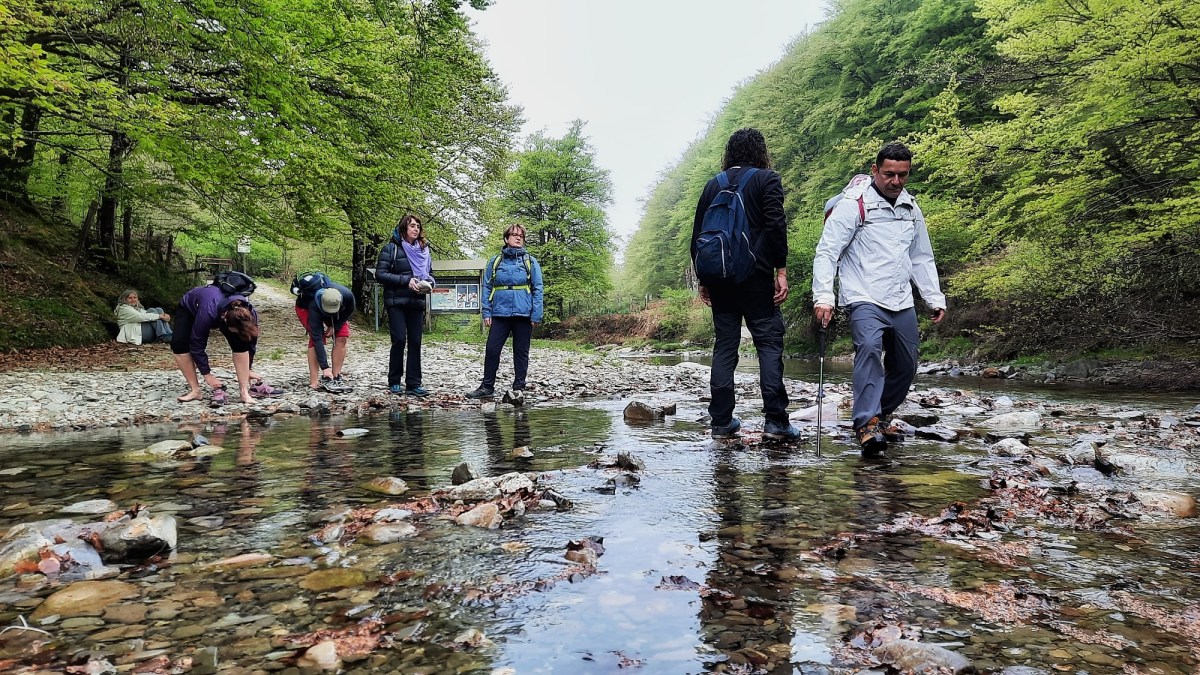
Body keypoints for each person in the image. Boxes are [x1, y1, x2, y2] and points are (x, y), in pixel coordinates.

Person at [812, 142, 947, 453]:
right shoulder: (853, 205)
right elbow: (827, 252)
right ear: (875, 171)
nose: (896, 181)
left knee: (906, 364)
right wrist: (824, 296)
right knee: (870, 349)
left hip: (901, 298)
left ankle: (881, 414)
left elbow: (921, 256)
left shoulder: (911, 207)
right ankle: (866, 424)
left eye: (903, 175)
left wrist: (933, 297)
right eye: (889, 174)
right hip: (863, 295)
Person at [691, 128, 799, 441]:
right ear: (761, 152)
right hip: (756, 276)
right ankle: (776, 421)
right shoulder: (767, 179)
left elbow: (698, 233)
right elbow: (776, 225)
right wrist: (781, 269)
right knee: (768, 343)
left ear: (730, 153)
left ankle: (722, 422)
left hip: (720, 278)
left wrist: (704, 278)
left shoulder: (714, 184)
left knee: (725, 346)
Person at [466, 223, 544, 399]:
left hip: (523, 313)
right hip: (499, 313)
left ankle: (519, 387)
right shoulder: (495, 262)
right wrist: (486, 312)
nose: (518, 238)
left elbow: (538, 288)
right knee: (492, 349)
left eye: (521, 236)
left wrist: (536, 314)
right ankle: (487, 387)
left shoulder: (530, 262)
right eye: (514, 235)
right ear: (506, 238)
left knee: (521, 351)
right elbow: (486, 287)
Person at [171, 283, 261, 405]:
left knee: (241, 344)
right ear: (225, 321)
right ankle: (195, 390)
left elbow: (250, 344)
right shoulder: (208, 312)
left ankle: (244, 392)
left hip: (224, 310)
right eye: (234, 330)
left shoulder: (250, 314)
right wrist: (207, 375)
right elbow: (197, 344)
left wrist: (248, 368)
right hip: (191, 307)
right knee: (179, 345)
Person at [376, 213, 435, 397]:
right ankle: (394, 381)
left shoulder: (424, 251)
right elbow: (381, 274)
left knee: (416, 342)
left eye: (418, 226)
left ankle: (413, 384)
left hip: (416, 301)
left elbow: (430, 275)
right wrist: (405, 280)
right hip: (396, 302)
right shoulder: (390, 249)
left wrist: (429, 284)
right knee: (400, 340)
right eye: (412, 226)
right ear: (403, 228)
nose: (416, 229)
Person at [296, 277, 355, 392]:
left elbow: (347, 313)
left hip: (338, 312)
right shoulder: (313, 305)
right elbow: (317, 338)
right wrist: (325, 367)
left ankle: (335, 377)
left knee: (342, 336)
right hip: (306, 308)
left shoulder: (348, 297)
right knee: (317, 339)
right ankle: (314, 381)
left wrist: (335, 326)